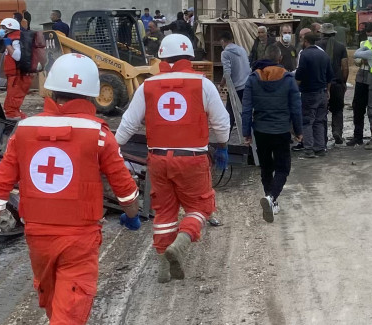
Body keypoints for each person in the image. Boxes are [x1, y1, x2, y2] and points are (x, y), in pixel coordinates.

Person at [0, 54, 141, 325]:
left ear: (52, 89)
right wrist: (131, 214)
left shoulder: (23, 130)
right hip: (80, 239)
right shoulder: (98, 134)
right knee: (69, 311)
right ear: (91, 94)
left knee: (53, 304)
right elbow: (125, 188)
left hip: (37, 238)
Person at [115, 34, 230, 283]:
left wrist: (112, 150)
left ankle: (163, 265)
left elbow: (127, 125)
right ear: (190, 57)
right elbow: (221, 122)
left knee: (164, 211)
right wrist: (222, 145)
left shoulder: (148, 86)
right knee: (201, 206)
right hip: (192, 158)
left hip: (157, 160)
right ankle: (183, 239)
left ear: (162, 58)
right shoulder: (203, 84)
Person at [241, 44, 302, 223]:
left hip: (261, 131)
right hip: (282, 130)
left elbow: (246, 109)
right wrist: (298, 131)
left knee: (266, 167)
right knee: (283, 168)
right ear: (280, 59)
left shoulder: (252, 78)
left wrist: (246, 132)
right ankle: (272, 197)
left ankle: (270, 199)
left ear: (265, 56)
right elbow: (296, 108)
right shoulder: (288, 79)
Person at [294, 31, 335, 158]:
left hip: (309, 93)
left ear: (306, 41)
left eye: (302, 41)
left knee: (307, 121)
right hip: (322, 92)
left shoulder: (304, 55)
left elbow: (299, 75)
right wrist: (327, 91)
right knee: (319, 121)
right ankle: (320, 148)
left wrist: (294, 89)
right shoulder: (324, 55)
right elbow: (330, 76)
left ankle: (309, 149)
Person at [319, 23, 349, 145]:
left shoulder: (317, 46)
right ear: (334, 33)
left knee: (322, 112)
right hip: (337, 83)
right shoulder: (340, 47)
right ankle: (337, 131)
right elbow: (345, 67)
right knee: (337, 111)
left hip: (321, 85)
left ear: (322, 33)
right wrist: (344, 82)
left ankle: (323, 137)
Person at [0, 18, 31, 120]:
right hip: (15, 74)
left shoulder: (15, 40)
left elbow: (17, 56)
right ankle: (17, 115)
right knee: (12, 99)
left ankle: (14, 119)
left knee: (12, 101)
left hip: (17, 75)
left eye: (4, 28)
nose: (1, 30)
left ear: (10, 28)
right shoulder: (14, 38)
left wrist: (8, 45)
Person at [219, 30, 251, 129]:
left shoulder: (225, 53)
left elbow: (227, 73)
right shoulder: (242, 50)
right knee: (246, 113)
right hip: (247, 86)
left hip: (235, 88)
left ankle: (225, 139)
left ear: (223, 41)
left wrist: (222, 84)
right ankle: (248, 139)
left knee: (230, 114)